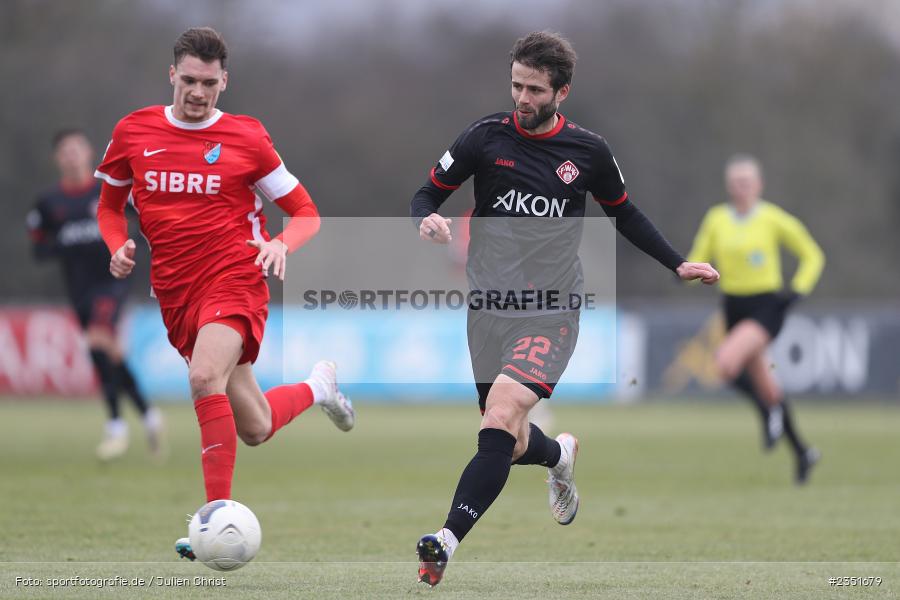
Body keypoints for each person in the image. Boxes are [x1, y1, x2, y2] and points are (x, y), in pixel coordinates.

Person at [409, 31, 719, 586]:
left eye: (534, 89)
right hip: (487, 309)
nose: (522, 98)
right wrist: (426, 220)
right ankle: (560, 458)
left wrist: (676, 264)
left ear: (562, 92)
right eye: (516, 86)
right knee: (505, 437)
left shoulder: (588, 152)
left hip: (551, 309)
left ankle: (446, 542)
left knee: (502, 412)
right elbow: (426, 193)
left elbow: (626, 214)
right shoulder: (484, 136)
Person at [92, 27, 356, 559]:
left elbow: (306, 213)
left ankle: (212, 521)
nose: (197, 92)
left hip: (236, 278)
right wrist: (117, 245)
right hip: (175, 293)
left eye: (208, 83)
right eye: (188, 80)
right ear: (172, 75)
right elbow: (108, 207)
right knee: (254, 426)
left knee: (202, 376)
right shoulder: (133, 132)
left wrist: (280, 244)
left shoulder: (246, 139)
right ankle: (319, 387)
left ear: (224, 82)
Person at [27, 129, 163, 461]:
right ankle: (148, 414)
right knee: (108, 351)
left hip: (113, 282)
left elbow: (146, 221)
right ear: (57, 159)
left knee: (98, 342)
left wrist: (137, 249)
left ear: (88, 153)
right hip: (79, 289)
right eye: (65, 151)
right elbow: (38, 248)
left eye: (77, 148)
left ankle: (116, 425)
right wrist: (64, 242)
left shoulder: (109, 192)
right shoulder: (49, 204)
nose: (72, 155)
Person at [687, 154, 824, 484]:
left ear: (758, 186)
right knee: (767, 388)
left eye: (746, 183)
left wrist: (798, 290)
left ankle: (767, 414)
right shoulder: (717, 218)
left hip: (766, 307)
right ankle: (803, 452)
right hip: (733, 306)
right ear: (728, 186)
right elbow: (699, 253)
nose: (741, 189)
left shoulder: (772, 218)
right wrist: (684, 269)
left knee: (724, 363)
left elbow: (812, 255)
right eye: (735, 183)